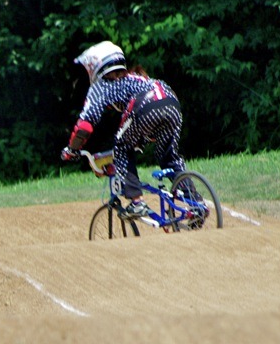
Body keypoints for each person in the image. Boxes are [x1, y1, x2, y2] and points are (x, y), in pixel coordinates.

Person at [61, 40, 186, 219]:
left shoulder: (101, 87)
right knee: (169, 157)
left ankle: (137, 202)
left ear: (95, 67)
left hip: (145, 105)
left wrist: (72, 150)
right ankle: (194, 202)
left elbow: (85, 125)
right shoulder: (135, 78)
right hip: (170, 100)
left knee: (121, 147)